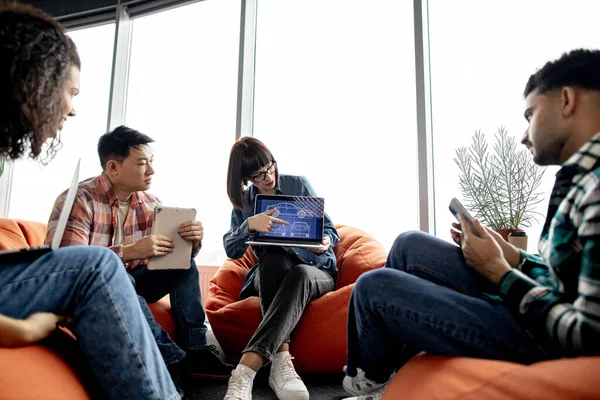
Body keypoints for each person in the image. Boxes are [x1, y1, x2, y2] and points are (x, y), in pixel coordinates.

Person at [342, 48, 600, 400]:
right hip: (537, 302)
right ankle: (388, 376)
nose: (524, 135)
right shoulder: (580, 177)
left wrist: (499, 273)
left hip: (540, 336)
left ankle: (371, 384)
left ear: (567, 100)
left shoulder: (596, 188)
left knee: (374, 288)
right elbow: (565, 277)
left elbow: (587, 336)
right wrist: (513, 257)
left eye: (530, 115)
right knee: (408, 244)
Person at [0, 3, 179, 399]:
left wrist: (183, 240)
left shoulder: (148, 201)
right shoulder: (79, 197)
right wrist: (20, 329)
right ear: (35, 82)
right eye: (71, 92)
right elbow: (74, 253)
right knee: (97, 266)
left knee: (162, 268)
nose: (72, 108)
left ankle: (193, 354)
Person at [45, 125, 234, 383]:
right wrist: (130, 251)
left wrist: (192, 241)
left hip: (135, 281)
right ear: (113, 167)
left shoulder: (149, 201)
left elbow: (168, 252)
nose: (152, 170)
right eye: (143, 163)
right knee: (125, 280)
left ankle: (196, 349)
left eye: (151, 162)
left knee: (183, 262)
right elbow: (70, 264)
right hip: (94, 290)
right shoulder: (79, 200)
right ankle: (174, 360)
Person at [221, 137, 339, 400]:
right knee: (273, 254)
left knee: (299, 273)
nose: (269, 176)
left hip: (314, 269)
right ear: (246, 178)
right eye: (259, 175)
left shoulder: (298, 184)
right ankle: (281, 362)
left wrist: (325, 241)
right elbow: (231, 250)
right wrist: (249, 225)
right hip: (269, 274)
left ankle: (245, 370)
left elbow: (330, 229)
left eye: (270, 167)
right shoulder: (244, 202)